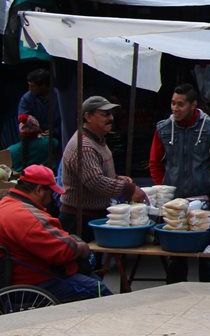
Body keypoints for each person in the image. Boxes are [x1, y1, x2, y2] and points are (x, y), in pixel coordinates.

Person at [148, 83, 210, 283]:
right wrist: (162, 192)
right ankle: (174, 292)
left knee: (207, 254)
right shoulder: (164, 128)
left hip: (204, 199)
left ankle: (209, 293)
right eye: (173, 103)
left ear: (193, 105)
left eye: (180, 104)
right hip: (175, 202)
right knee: (176, 254)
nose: (175, 108)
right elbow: (155, 163)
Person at [0, 165, 111, 302]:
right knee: (99, 290)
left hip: (20, 274)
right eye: (51, 192)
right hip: (36, 281)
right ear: (39, 190)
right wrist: (81, 248)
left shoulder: (6, 204)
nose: (52, 197)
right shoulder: (27, 217)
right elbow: (62, 252)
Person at [60, 96, 148, 242]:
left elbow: (95, 173)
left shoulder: (98, 140)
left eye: (111, 114)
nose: (111, 118)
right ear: (88, 117)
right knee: (84, 262)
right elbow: (95, 181)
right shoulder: (84, 147)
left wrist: (115, 178)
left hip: (93, 215)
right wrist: (128, 189)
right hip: (79, 219)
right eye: (105, 114)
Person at [10, 68, 64, 152]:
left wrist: (54, 131)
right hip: (36, 139)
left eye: (32, 86)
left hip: (59, 138)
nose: (29, 88)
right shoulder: (26, 99)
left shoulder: (59, 97)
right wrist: (36, 132)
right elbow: (24, 120)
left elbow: (66, 119)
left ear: (43, 86)